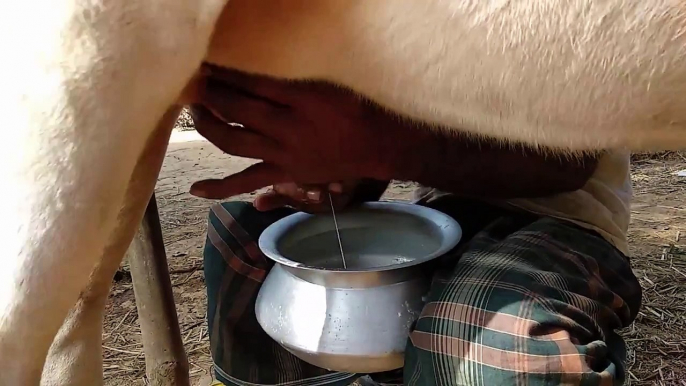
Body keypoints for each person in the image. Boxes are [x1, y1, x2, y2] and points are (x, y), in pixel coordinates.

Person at [188, 65, 641, 386]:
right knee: (244, 241)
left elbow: (564, 164)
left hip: (561, 221)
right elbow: (396, 145)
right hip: (441, 211)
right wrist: (341, 179)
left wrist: (368, 146)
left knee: (489, 344)